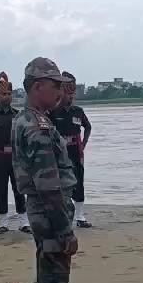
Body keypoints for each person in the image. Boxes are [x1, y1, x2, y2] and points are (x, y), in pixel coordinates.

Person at [11, 57, 79, 283]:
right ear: (38, 87)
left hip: (42, 208)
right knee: (52, 281)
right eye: (56, 87)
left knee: (45, 274)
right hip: (49, 209)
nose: (61, 94)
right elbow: (48, 185)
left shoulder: (30, 119)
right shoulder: (36, 126)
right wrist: (65, 230)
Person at [0, 72, 30, 235]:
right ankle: (2, 222)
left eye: (9, 94)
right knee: (1, 188)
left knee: (19, 189)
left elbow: (24, 139)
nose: (6, 97)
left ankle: (24, 221)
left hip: (16, 156)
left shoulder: (18, 115)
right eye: (3, 94)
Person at [51, 72, 92, 228]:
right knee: (60, 182)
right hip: (60, 152)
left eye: (73, 94)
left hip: (76, 150)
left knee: (79, 181)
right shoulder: (53, 111)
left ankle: (80, 217)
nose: (71, 97)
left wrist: (84, 143)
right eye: (69, 94)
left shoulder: (78, 111)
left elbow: (88, 127)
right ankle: (61, 215)